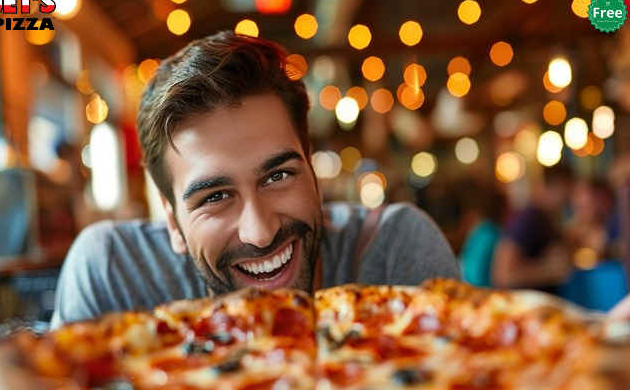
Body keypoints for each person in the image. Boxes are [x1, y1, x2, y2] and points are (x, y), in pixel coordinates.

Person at [50, 31, 460, 328]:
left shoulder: (396, 253)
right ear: (173, 222)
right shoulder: (111, 274)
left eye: (278, 175)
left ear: (314, 179)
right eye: (215, 196)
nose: (261, 232)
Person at [491, 163, 574, 295]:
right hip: (525, 308)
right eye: (570, 189)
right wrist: (552, 270)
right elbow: (503, 275)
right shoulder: (529, 219)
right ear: (561, 185)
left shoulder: (546, 218)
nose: (571, 197)